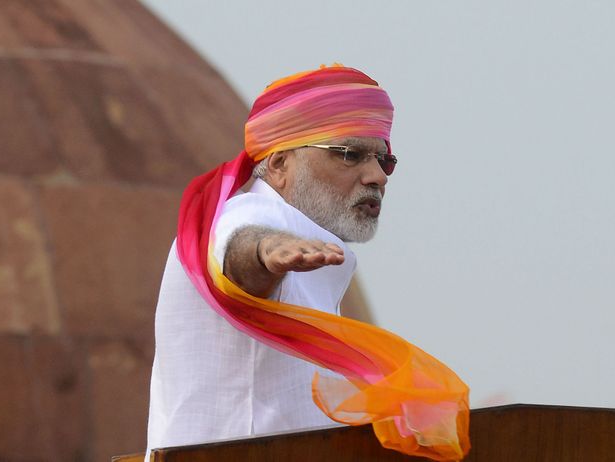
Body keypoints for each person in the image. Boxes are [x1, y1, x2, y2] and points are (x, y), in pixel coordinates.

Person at [145, 64, 469, 461]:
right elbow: (236, 252)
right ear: (280, 164)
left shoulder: (309, 246)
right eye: (349, 155)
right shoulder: (249, 214)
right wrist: (265, 251)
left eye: (384, 161)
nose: (377, 177)